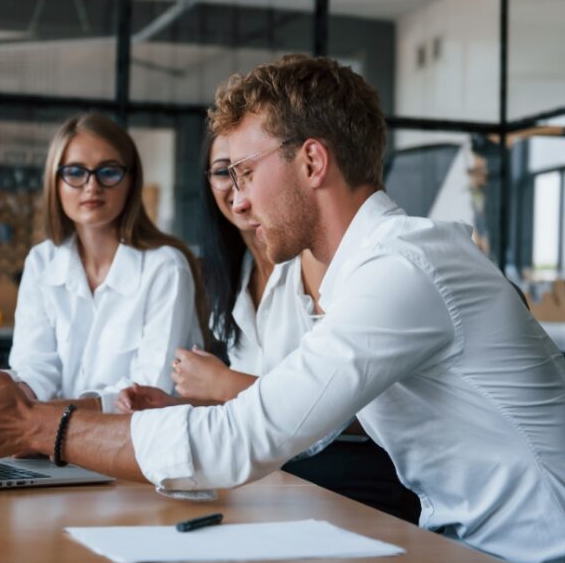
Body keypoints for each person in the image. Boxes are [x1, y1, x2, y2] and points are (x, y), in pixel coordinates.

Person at [0, 57, 565, 563]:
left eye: (246, 173)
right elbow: (289, 421)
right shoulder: (353, 279)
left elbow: (240, 438)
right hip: (462, 553)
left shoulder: (405, 268)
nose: (235, 199)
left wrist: (37, 425)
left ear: (312, 160)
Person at [118, 131, 420, 521]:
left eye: (247, 170)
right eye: (224, 172)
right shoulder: (229, 277)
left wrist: (223, 384)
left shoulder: (327, 263)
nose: (240, 191)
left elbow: (347, 407)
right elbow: (258, 412)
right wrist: (180, 406)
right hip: (278, 472)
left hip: (346, 470)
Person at [0, 113, 206, 412]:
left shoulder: (165, 267)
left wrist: (41, 414)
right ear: (55, 182)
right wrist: (6, 390)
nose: (91, 186)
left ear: (131, 181)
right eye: (75, 172)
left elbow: (151, 389)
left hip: (136, 445)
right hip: (54, 442)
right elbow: (35, 367)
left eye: (108, 172)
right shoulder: (42, 261)